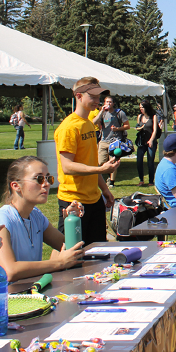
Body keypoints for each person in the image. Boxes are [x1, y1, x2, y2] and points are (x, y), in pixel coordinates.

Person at [0, 156, 85, 281]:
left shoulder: (35, 215)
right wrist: (59, 263)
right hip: (9, 297)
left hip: (31, 292)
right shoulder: (1, 219)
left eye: (48, 178)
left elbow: (71, 249)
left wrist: (70, 222)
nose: (46, 184)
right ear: (15, 185)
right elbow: (9, 271)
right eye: (39, 179)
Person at [54, 77, 118, 246]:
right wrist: (101, 170)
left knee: (97, 251)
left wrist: (104, 189)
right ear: (79, 96)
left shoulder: (89, 124)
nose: (97, 101)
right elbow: (67, 167)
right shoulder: (69, 127)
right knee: (72, 252)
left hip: (94, 199)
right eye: (93, 97)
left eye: (99, 97)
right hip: (73, 201)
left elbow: (90, 163)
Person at [93, 96, 130, 188]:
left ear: (113, 103)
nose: (108, 104)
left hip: (115, 141)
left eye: (110, 102)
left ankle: (112, 181)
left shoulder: (119, 113)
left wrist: (117, 129)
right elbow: (94, 122)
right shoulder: (102, 113)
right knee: (100, 162)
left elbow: (127, 126)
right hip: (103, 140)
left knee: (114, 162)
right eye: (106, 102)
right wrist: (101, 111)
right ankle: (105, 177)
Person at [135, 100, 159, 187]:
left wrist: (151, 140)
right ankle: (141, 180)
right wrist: (139, 128)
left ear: (146, 107)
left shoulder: (153, 117)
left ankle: (151, 181)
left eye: (142, 107)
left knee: (150, 162)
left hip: (151, 142)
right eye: (140, 107)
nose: (140, 109)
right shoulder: (140, 116)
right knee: (139, 161)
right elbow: (137, 126)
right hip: (142, 142)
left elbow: (155, 130)